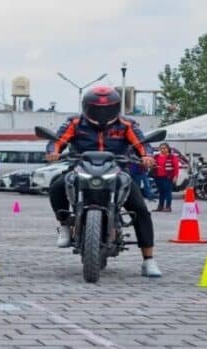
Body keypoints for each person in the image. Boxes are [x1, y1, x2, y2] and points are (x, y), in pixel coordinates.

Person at [45, 85, 161, 277]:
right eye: (97, 108)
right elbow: (57, 140)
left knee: (140, 209)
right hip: (80, 167)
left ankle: (148, 260)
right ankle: (65, 225)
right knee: (57, 186)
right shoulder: (74, 122)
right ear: (86, 107)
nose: (102, 112)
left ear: (116, 107)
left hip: (117, 171)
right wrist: (52, 152)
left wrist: (147, 156)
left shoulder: (126, 124)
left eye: (107, 108)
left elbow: (142, 144)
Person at [152, 143, 180, 212]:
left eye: (164, 148)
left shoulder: (172, 157)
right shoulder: (156, 156)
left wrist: (175, 176)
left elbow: (176, 168)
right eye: (161, 148)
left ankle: (168, 207)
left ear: (168, 149)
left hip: (168, 177)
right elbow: (153, 165)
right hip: (158, 177)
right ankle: (160, 207)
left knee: (168, 192)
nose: (163, 150)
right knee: (161, 192)